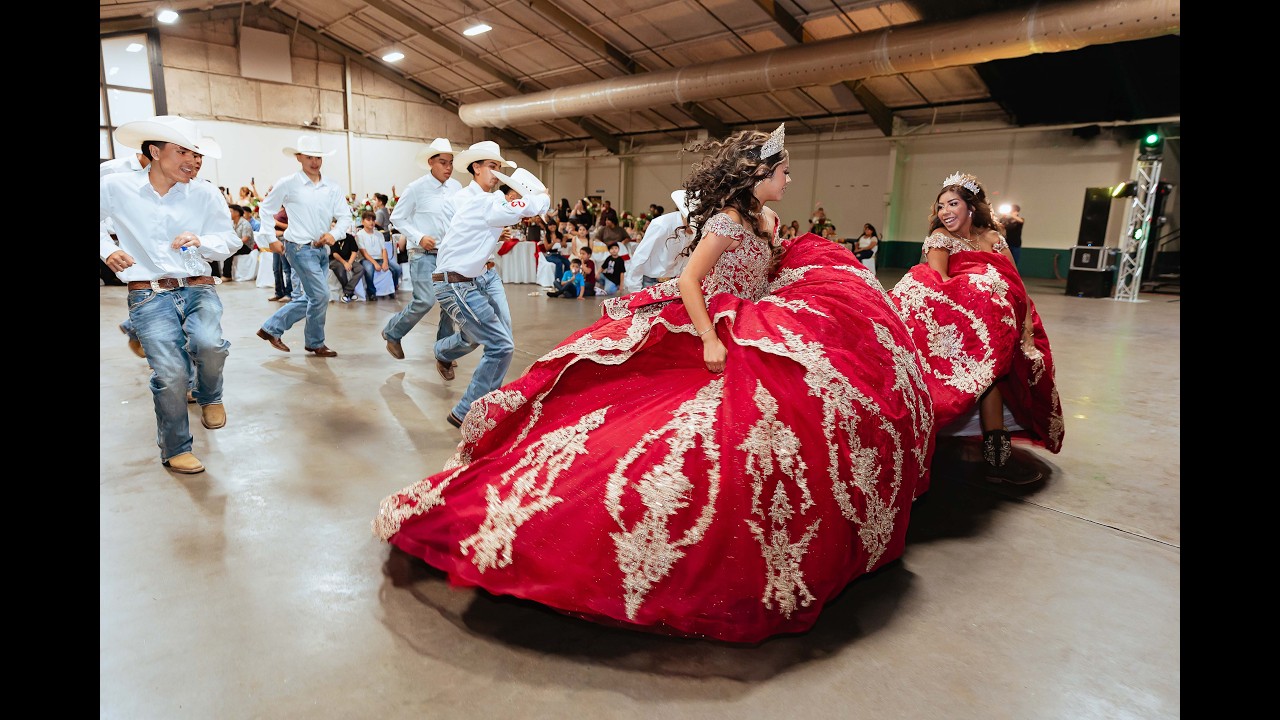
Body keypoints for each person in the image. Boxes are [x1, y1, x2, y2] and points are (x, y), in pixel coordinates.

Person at [372, 123, 933, 643]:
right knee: (662, 435)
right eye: (782, 171)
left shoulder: (766, 222)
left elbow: (768, 266)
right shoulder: (724, 223)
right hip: (713, 323)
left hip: (760, 323)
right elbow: (691, 278)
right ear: (759, 175)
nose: (788, 180)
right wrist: (711, 338)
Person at [889, 171, 1063, 485]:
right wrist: (977, 291)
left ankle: (996, 453)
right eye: (940, 205)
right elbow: (937, 284)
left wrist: (1026, 331)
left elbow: (1016, 287)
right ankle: (982, 449)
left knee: (999, 373)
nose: (945, 211)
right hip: (952, 325)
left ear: (971, 207)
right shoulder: (940, 238)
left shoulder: (994, 239)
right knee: (986, 373)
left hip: (996, 324)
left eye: (952, 203)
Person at [100, 115, 239, 474]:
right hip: (148, 295)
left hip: (198, 287)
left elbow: (230, 240)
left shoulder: (206, 192)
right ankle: (176, 447)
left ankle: (210, 396)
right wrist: (105, 249)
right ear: (155, 151)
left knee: (209, 344)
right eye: (183, 152)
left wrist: (202, 241)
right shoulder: (116, 187)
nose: (193, 162)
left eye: (198, 156)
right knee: (171, 373)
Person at [431, 148, 550, 428]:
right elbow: (526, 207)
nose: (496, 174)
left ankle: (469, 407)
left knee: (498, 342)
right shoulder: (483, 202)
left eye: (499, 168)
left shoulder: (490, 204)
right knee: (500, 345)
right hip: (457, 283)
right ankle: (469, 411)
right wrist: (540, 196)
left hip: (468, 280)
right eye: (491, 166)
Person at [256, 134, 352, 357]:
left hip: (321, 249)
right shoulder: (288, 184)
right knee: (320, 296)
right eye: (309, 157)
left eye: (318, 157)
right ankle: (314, 342)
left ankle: (272, 329)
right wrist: (270, 238)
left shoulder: (332, 187)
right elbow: (266, 209)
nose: (314, 162)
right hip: (298, 248)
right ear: (299, 157)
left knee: (312, 297)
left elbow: (346, 216)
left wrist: (334, 234)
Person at [381, 138, 463, 360]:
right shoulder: (416, 188)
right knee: (425, 300)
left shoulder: (457, 188)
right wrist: (419, 236)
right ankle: (392, 332)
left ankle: (444, 350)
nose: (448, 167)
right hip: (423, 254)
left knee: (450, 303)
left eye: (451, 163)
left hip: (449, 256)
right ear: (431, 162)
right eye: (443, 162)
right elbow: (397, 217)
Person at [623, 189, 695, 293]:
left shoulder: (691, 232)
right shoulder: (661, 225)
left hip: (674, 282)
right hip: (651, 282)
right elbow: (641, 255)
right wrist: (635, 290)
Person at [356, 210, 400, 299]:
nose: (371, 222)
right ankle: (371, 292)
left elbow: (384, 250)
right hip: (367, 259)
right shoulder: (359, 235)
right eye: (368, 220)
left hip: (380, 258)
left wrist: (385, 262)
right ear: (362, 221)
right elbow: (364, 253)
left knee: (397, 268)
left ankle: (393, 288)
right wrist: (375, 263)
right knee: (369, 269)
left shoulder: (379, 234)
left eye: (373, 220)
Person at [329, 229, 363, 302]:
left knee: (360, 268)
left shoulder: (349, 237)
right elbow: (335, 254)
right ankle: (349, 293)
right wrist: (344, 263)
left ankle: (347, 291)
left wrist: (349, 263)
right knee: (341, 270)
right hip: (335, 260)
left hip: (349, 259)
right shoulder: (333, 237)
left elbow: (354, 251)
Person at [266, 207, 292, 302]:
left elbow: (292, 226)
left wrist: (276, 223)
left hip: (284, 238)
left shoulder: (287, 211)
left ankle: (289, 293)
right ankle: (279, 292)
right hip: (275, 239)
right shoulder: (274, 210)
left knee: (286, 268)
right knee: (276, 268)